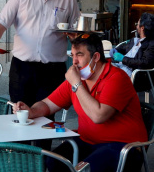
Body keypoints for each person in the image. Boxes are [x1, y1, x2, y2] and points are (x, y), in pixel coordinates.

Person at [13, 33, 148, 172]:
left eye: (80, 55)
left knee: (87, 168)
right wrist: (31, 111)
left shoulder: (116, 78)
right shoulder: (78, 78)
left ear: (95, 57)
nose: (74, 62)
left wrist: (77, 84)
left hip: (124, 146)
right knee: (53, 162)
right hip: (88, 141)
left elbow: (98, 116)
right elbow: (48, 104)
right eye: (72, 55)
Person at [110, 12, 154, 77]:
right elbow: (123, 47)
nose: (136, 26)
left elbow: (144, 62)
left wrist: (123, 59)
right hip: (120, 67)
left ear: (142, 28)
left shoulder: (151, 44)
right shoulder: (135, 40)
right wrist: (115, 50)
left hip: (131, 73)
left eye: (137, 24)